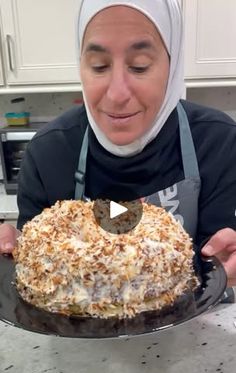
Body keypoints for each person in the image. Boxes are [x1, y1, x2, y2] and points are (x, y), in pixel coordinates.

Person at [0, 0, 236, 287]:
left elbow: (219, 260)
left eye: (139, 67)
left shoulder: (218, 143)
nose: (117, 94)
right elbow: (35, 270)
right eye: (99, 66)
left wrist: (229, 262)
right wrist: (12, 253)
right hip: (74, 328)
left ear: (173, 66)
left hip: (195, 328)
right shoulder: (47, 153)